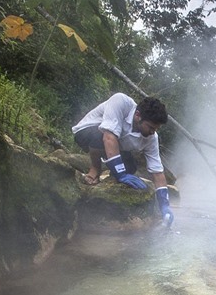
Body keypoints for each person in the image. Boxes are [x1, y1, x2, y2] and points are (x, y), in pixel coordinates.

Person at [72, 93, 174, 226]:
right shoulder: (121, 102)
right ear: (138, 115)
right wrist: (120, 173)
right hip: (87, 132)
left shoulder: (151, 138)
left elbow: (157, 171)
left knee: (130, 168)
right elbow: (108, 137)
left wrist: (165, 206)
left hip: (114, 143)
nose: (152, 132)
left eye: (156, 129)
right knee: (100, 136)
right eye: (150, 127)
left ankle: (108, 178)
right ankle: (95, 169)